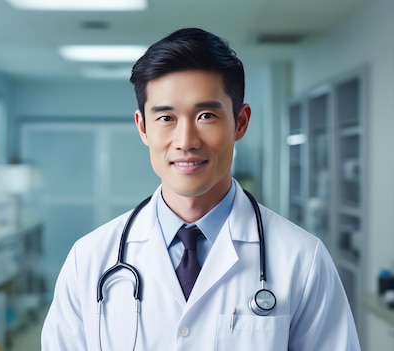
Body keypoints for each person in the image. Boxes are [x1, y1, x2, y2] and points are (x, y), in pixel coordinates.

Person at [41, 27, 360, 350]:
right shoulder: (90, 259)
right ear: (142, 127)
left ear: (240, 122)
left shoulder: (301, 259)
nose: (186, 142)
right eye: (166, 118)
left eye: (206, 115)